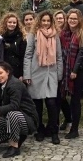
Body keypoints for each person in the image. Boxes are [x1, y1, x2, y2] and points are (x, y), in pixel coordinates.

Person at [23, 10, 63, 144]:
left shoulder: (55, 35)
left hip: (51, 72)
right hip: (36, 72)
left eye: (48, 21)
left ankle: (53, 130)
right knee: (38, 104)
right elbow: (28, 55)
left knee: (52, 103)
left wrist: (59, 74)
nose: (46, 23)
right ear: (39, 21)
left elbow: (58, 56)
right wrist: (27, 74)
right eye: (43, 20)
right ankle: (39, 129)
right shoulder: (32, 35)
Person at [0, 62, 39, 158]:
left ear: (7, 72)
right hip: (12, 119)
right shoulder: (2, 86)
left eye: (1, 73)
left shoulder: (14, 84)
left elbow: (14, 105)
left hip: (28, 119)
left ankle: (14, 146)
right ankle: (16, 137)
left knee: (12, 114)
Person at [59, 8, 83, 139]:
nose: (72, 21)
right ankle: (68, 119)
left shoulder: (82, 33)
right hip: (64, 70)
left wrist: (74, 71)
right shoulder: (63, 33)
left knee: (75, 100)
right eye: (70, 18)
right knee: (61, 97)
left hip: (78, 71)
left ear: (79, 20)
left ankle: (74, 129)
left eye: (75, 19)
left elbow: (81, 54)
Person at [0, 13, 27, 79]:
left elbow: (23, 57)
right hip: (3, 68)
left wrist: (22, 74)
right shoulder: (0, 36)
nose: (12, 24)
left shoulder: (21, 37)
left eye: (14, 22)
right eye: (9, 22)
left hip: (16, 70)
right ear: (5, 23)